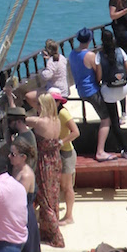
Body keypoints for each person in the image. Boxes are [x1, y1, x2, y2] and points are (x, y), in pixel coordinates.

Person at [21, 93, 64, 248]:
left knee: (44, 201)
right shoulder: (56, 120)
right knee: (52, 198)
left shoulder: (39, 122)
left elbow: (20, 119)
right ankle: (47, 233)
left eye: (39, 105)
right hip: (55, 160)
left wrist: (11, 99)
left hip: (44, 163)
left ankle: (57, 236)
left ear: (43, 106)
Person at [67, 27, 114, 161]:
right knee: (106, 119)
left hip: (81, 89)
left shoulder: (72, 54)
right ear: (90, 39)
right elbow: (98, 74)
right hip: (92, 90)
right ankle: (100, 151)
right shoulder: (90, 55)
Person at [96, 28, 127, 159]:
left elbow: (99, 77)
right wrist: (123, 80)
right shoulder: (121, 51)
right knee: (121, 92)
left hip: (109, 93)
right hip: (123, 89)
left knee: (114, 122)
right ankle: (124, 112)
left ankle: (126, 150)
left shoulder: (99, 56)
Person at [49, 87, 79, 224]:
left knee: (67, 186)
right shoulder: (50, 113)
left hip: (66, 153)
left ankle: (69, 216)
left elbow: (75, 132)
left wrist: (62, 142)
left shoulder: (63, 114)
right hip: (58, 153)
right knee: (60, 184)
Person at [8, 140, 41, 252]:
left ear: (23, 157)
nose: (9, 156)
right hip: (16, 213)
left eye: (13, 154)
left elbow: (18, 198)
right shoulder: (15, 169)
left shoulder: (26, 175)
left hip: (25, 215)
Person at [24, 39, 69, 110]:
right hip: (64, 90)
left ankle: (42, 111)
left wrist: (43, 71)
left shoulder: (51, 62)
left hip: (55, 91)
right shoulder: (62, 58)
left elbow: (46, 76)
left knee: (28, 96)